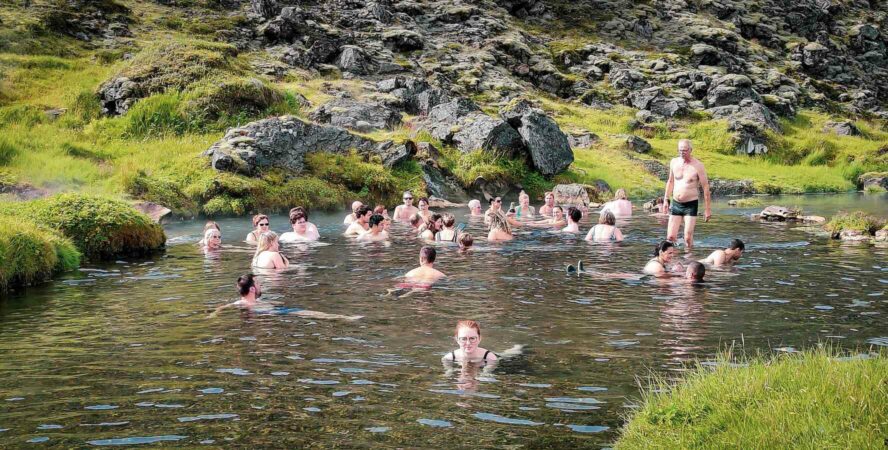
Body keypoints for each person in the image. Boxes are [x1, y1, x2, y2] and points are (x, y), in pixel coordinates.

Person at [209, 274, 361, 320]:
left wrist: (213, 314)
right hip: (274, 313)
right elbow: (223, 308)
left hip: (275, 311)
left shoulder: (240, 303)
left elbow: (221, 308)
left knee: (303, 312)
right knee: (304, 312)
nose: (261, 285)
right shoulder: (243, 304)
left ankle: (340, 317)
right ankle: (342, 317)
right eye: (258, 283)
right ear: (253, 288)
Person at [663, 139, 711, 249]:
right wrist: (666, 199)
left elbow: (705, 187)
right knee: (670, 237)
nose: (682, 153)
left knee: (688, 237)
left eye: (684, 150)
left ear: (690, 150)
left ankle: (689, 260)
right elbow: (670, 181)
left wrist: (708, 209)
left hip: (690, 204)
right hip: (676, 203)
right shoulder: (674, 162)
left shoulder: (698, 165)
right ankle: (672, 261)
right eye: (680, 150)